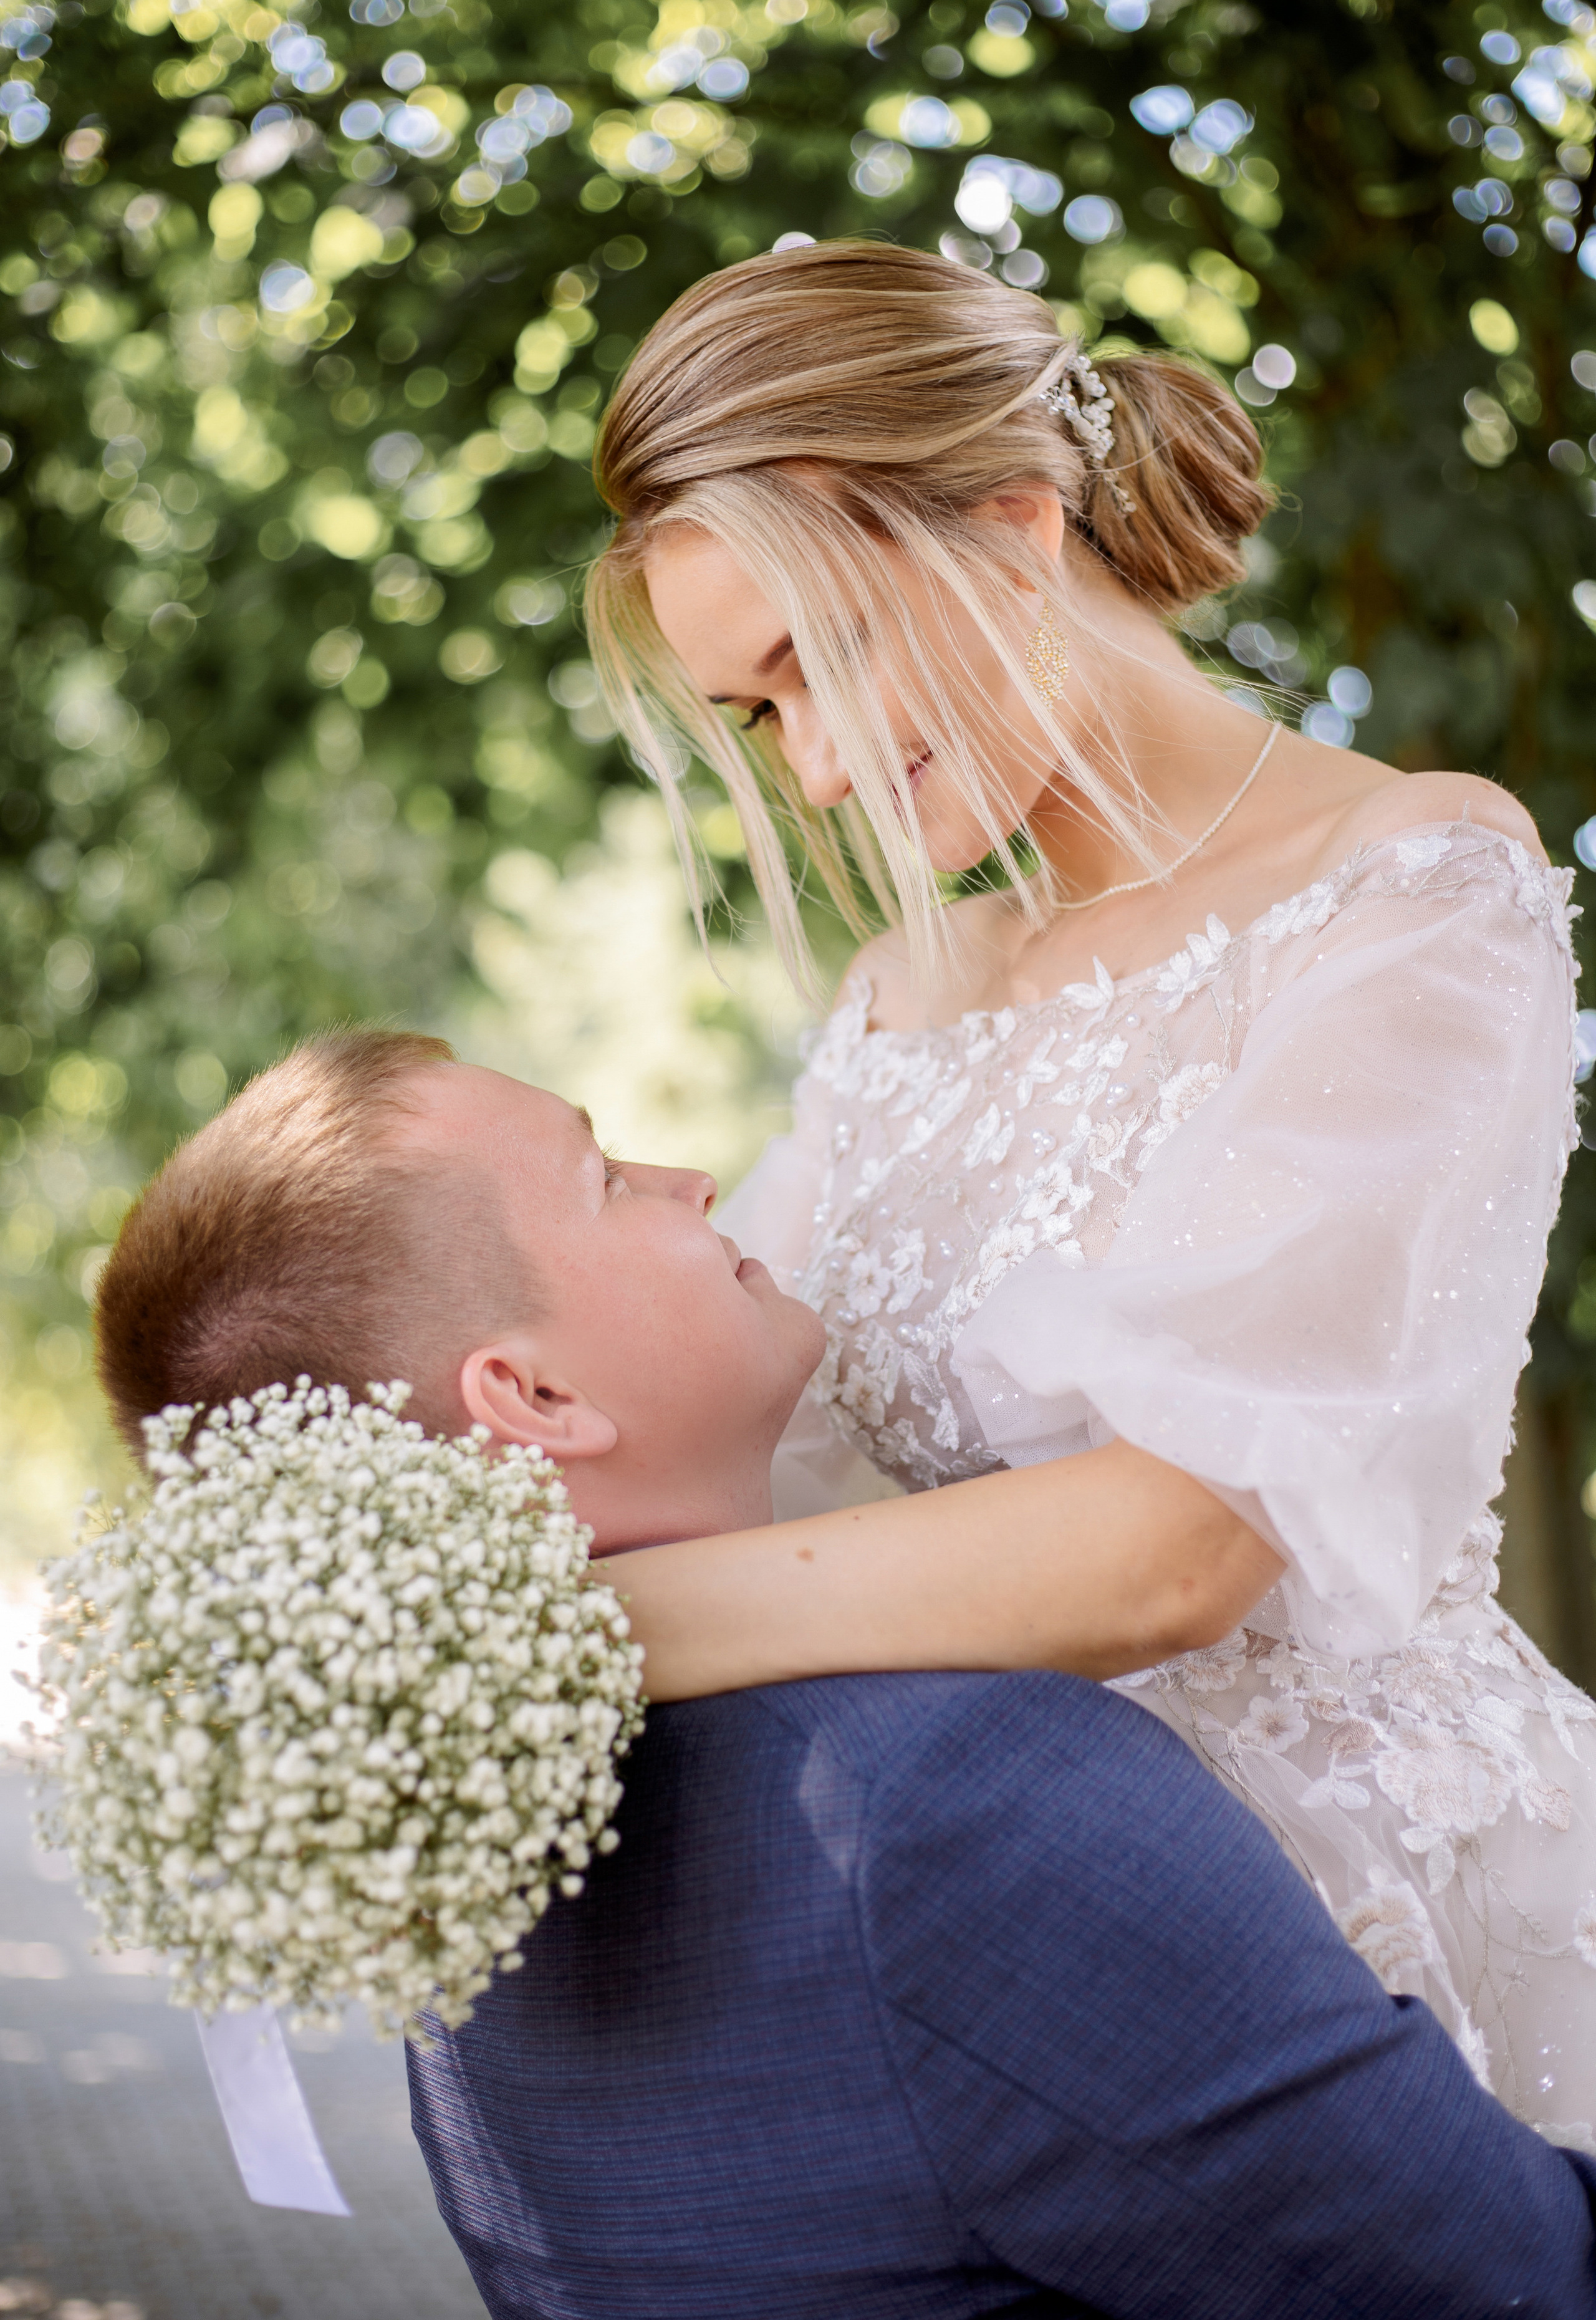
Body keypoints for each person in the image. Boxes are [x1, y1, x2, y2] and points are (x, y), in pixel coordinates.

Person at [90, 1031, 1596, 2317]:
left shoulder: (459, 1869)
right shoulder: (955, 1803)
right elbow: (1510, 2282)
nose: (692, 1178)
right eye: (607, 1175)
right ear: (536, 1396)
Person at [580, 238, 1596, 2135]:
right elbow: (735, 1433)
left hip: (1362, 1947)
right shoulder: (904, 994)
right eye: (755, 717)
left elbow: (1178, 1546)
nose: (806, 775)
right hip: (985, 1942)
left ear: (1018, 525)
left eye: (817, 666)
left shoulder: (1409, 885)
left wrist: (567, 1647)